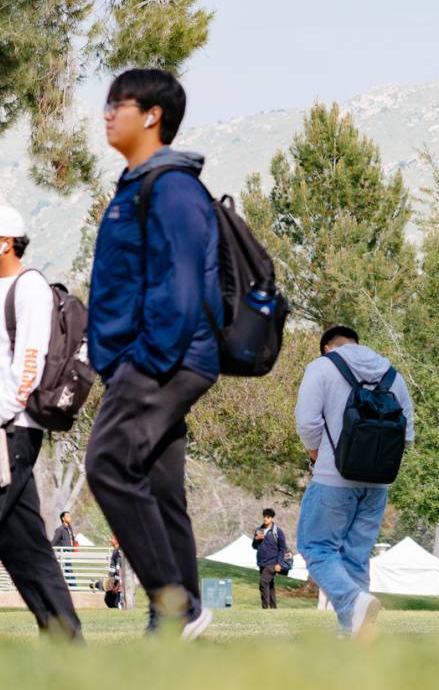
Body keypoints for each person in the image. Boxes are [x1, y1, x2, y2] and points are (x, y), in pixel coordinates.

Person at [84, 68, 222, 639]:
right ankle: (174, 624)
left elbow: (181, 284)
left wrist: (145, 362)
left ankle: (175, 608)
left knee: (107, 462)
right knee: (160, 488)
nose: (107, 113)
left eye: (118, 103)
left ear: (152, 115)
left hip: (164, 357)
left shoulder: (172, 188)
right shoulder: (137, 184)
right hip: (144, 360)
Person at [295, 324, 414, 639]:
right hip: (377, 484)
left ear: (327, 348)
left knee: (315, 547)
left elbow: (307, 422)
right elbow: (408, 435)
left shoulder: (322, 367)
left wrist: (317, 456)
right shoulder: (392, 374)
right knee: (356, 556)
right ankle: (353, 634)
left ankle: (352, 601)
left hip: (333, 478)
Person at [0, 206, 82, 639]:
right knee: (26, 549)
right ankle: (70, 649)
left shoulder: (28, 287)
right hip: (7, 430)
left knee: (25, 547)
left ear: (5, 242)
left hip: (12, 429)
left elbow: (27, 366)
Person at [252, 508, 287, 611]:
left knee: (263, 583)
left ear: (271, 518)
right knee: (270, 585)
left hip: (272, 563)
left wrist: (279, 563)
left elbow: (283, 548)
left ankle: (265, 608)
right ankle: (273, 608)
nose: (265, 519)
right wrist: (256, 539)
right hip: (261, 562)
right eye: (264, 516)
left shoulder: (277, 531)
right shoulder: (259, 530)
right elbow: (254, 546)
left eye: (268, 517)